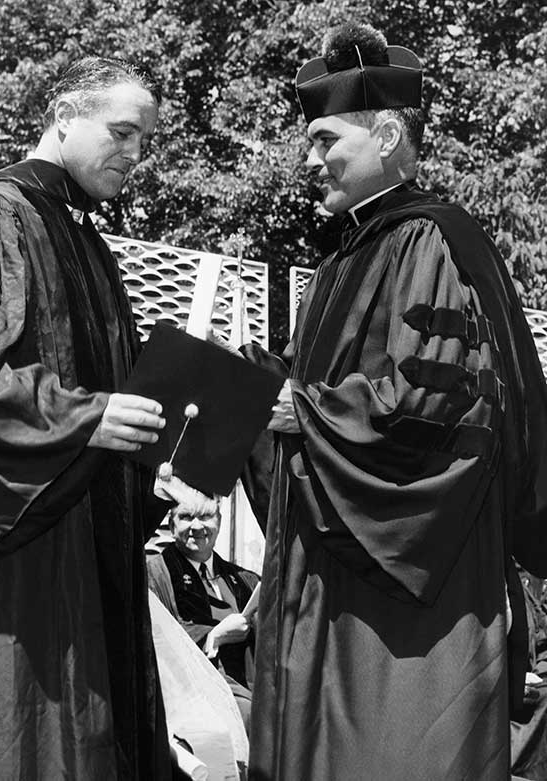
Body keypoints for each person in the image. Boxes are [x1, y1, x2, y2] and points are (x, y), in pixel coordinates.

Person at [240, 22, 547, 780]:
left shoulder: (432, 243)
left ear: (384, 132)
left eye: (323, 139)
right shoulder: (345, 254)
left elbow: (439, 409)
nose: (308, 161)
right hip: (329, 566)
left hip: (405, 589)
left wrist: (304, 413)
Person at [0, 57, 173, 779]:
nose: (135, 154)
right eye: (121, 131)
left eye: (145, 140)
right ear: (63, 114)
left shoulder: (85, 240)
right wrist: (87, 416)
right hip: (14, 546)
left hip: (84, 535)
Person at [146, 502, 259, 729]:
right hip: (195, 691)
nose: (197, 526)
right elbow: (156, 641)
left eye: (206, 516)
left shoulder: (245, 579)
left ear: (219, 521)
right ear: (171, 523)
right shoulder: (154, 575)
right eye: (186, 517)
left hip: (248, 683)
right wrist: (213, 637)